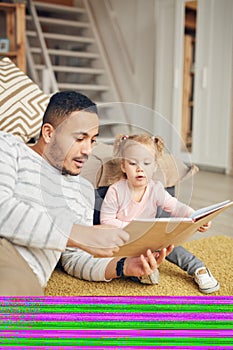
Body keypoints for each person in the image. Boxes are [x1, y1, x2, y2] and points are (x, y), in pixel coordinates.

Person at [0, 91, 131, 295]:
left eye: (93, 140)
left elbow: (75, 258)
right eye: (80, 138)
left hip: (24, 272)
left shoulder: (83, 190)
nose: (88, 149)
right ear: (49, 133)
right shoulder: (8, 146)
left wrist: (124, 266)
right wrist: (75, 232)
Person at [99, 134, 220, 294]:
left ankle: (198, 268)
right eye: (133, 163)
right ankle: (142, 274)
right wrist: (132, 229)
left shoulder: (155, 189)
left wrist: (194, 216)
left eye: (146, 163)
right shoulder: (116, 190)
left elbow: (175, 206)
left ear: (154, 166)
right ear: (123, 166)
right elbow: (106, 221)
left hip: (149, 240)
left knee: (171, 245)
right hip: (124, 242)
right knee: (117, 259)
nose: (139, 168)